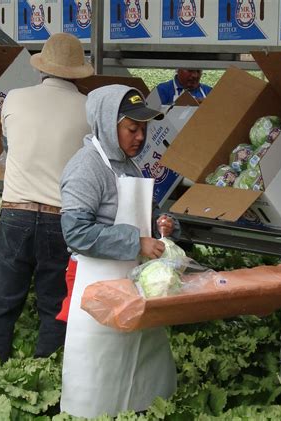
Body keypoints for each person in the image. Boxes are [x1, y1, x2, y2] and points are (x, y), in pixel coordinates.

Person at [0, 33, 94, 371]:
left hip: (15, 214)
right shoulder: (89, 109)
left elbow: (9, 145)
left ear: (43, 68)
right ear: (78, 72)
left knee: (2, 303)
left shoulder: (14, 98)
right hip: (62, 218)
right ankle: (47, 375)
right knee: (55, 304)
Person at [59, 85, 180, 418]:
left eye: (144, 129)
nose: (140, 137)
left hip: (133, 286)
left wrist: (163, 225)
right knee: (97, 374)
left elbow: (148, 216)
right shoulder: (86, 167)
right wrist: (135, 242)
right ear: (107, 124)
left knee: (143, 365)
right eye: (132, 128)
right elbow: (75, 232)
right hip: (98, 288)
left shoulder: (129, 166)